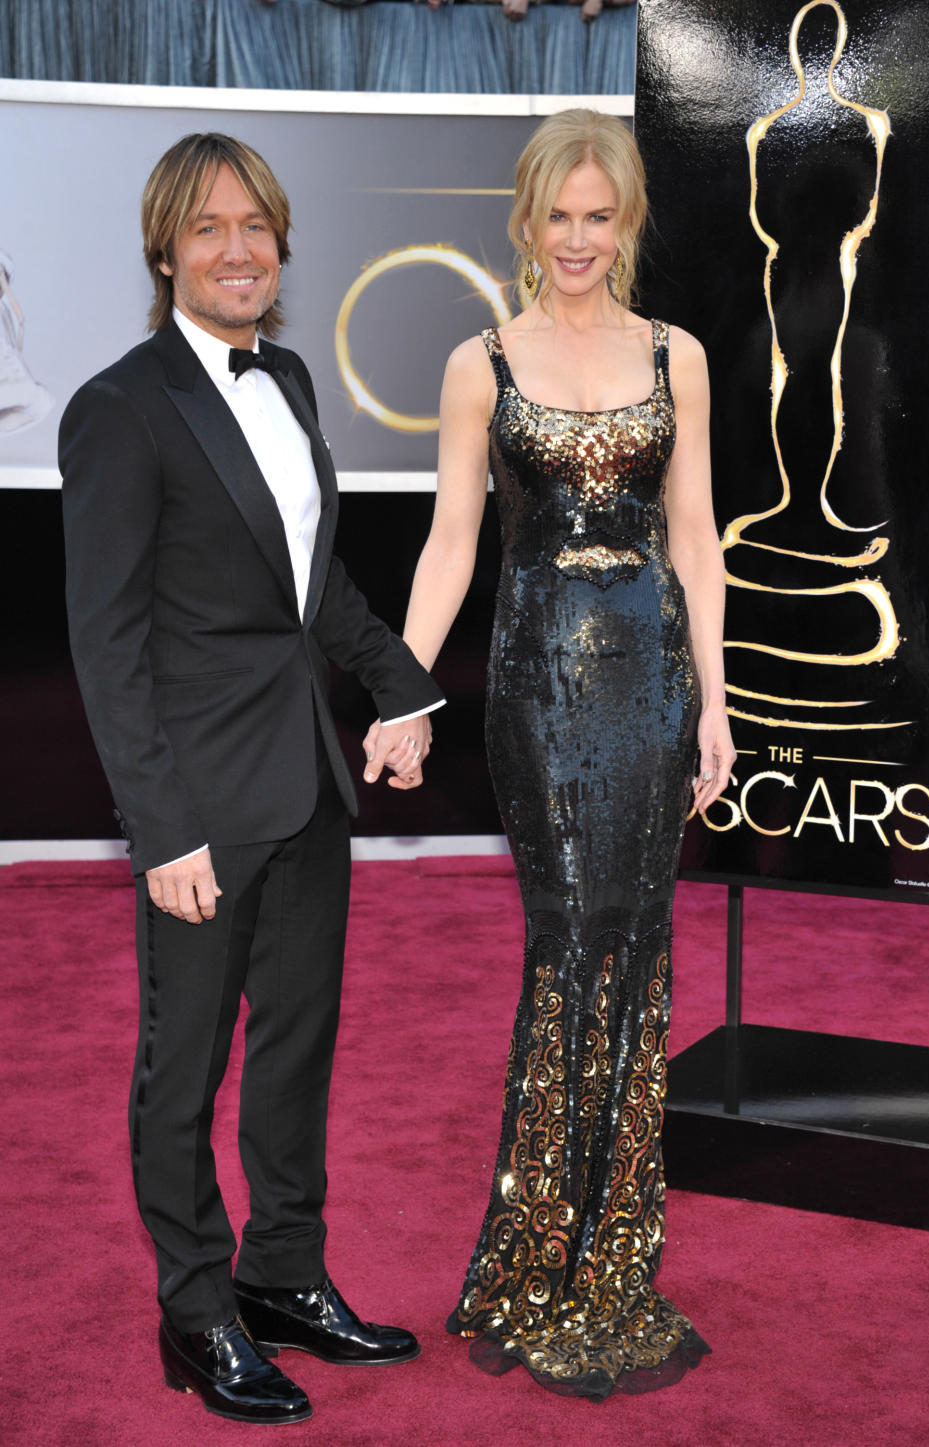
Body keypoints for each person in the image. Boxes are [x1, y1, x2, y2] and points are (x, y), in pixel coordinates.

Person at [59, 133, 444, 1426]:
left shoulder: (286, 377)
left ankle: (285, 1275)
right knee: (185, 1070)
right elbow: (107, 646)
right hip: (199, 816)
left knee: (296, 1054)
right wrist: (157, 826)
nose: (238, 250)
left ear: (281, 245)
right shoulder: (118, 408)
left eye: (258, 228)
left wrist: (404, 682)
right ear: (167, 248)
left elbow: (311, 594)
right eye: (211, 229)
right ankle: (196, 1310)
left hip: (307, 787)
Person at [394, 108, 736, 1400]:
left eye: (603, 216)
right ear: (526, 220)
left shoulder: (678, 356)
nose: (580, 239)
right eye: (560, 216)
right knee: (567, 947)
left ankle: (615, 1254)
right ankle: (542, 1244)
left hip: (652, 681)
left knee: (637, 948)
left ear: (627, 218)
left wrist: (716, 699)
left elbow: (697, 536)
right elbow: (450, 543)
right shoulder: (481, 361)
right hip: (538, 688)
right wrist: (405, 685)